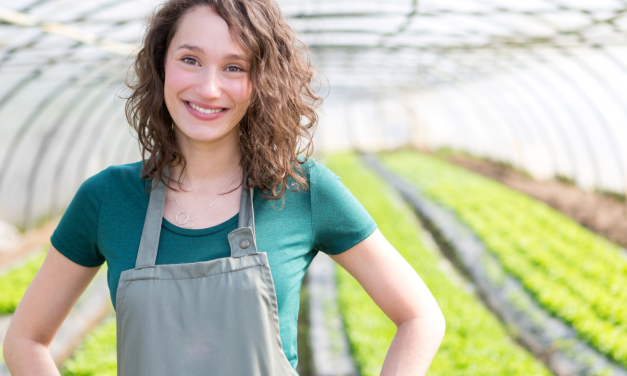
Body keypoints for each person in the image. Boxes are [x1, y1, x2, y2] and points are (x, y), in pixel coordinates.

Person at [3, 0, 445, 375]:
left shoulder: (302, 191)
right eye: (190, 59)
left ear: (262, 83)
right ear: (162, 64)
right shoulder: (107, 198)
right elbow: (24, 339)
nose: (208, 88)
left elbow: (420, 318)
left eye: (235, 67)